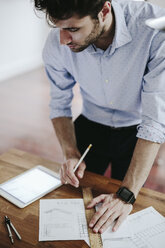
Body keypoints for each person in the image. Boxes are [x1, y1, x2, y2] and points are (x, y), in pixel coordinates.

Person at [34, 0, 165, 234]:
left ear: (103, 11)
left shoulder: (155, 28)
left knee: (126, 212)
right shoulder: (58, 41)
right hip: (90, 124)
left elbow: (155, 119)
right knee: (77, 199)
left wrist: (126, 195)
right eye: (58, 28)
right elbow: (59, 103)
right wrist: (70, 152)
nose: (63, 40)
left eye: (73, 29)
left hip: (137, 130)